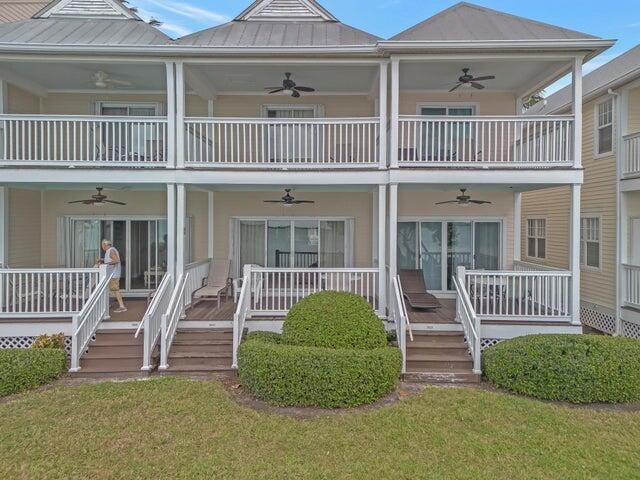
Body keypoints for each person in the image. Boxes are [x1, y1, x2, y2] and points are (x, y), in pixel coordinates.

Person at [100, 239, 126, 313]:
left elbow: (116, 260)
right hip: (112, 274)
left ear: (105, 245)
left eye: (102, 245)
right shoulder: (110, 251)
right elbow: (111, 259)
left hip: (114, 274)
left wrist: (105, 264)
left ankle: (122, 306)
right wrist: (102, 259)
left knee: (115, 290)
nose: (102, 247)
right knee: (110, 290)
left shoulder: (111, 250)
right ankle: (108, 304)